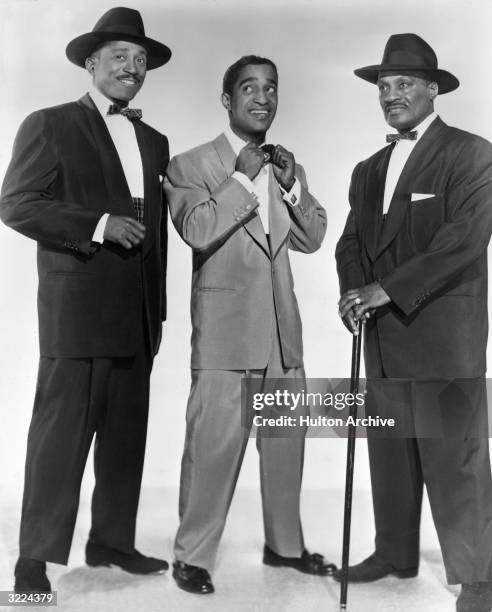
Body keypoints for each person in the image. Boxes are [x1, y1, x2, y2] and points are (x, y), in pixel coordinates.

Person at [0, 7, 172, 592]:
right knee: (60, 439)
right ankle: (32, 562)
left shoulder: (153, 138)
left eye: (141, 60)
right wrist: (98, 223)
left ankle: (111, 543)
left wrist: (160, 308)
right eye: (120, 56)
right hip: (77, 315)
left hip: (138, 314)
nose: (132, 67)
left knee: (127, 438)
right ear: (91, 62)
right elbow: (16, 203)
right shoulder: (49, 123)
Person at [164, 55, 335, 595]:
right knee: (212, 448)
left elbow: (312, 239)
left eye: (271, 88)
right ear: (227, 99)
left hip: (282, 334)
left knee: (287, 446)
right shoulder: (190, 164)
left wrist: (290, 187)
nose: (262, 98)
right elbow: (196, 228)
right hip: (225, 333)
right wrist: (242, 177)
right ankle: (191, 556)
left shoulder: (289, 165)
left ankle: (284, 547)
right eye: (249, 88)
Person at [335, 33, 492, 612]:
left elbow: (464, 241)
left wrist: (386, 289)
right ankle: (395, 554)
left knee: (455, 459)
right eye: (384, 87)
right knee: (389, 452)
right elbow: (351, 242)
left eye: (404, 84)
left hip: (444, 338)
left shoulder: (472, 152)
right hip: (379, 337)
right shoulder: (367, 167)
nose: (392, 95)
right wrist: (354, 292)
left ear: (432, 89)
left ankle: (479, 580)